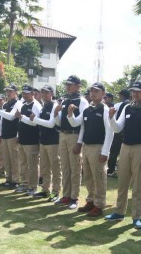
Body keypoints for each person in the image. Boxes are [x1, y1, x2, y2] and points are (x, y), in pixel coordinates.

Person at [105, 81, 141, 229]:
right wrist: (111, 118)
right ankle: (119, 212)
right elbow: (117, 128)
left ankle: (137, 217)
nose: (134, 94)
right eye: (133, 91)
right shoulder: (128, 107)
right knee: (122, 182)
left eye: (138, 91)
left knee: (138, 184)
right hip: (125, 147)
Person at [68, 82, 113, 217]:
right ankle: (91, 201)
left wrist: (105, 151)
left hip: (99, 147)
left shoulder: (105, 110)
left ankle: (99, 205)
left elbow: (110, 132)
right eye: (91, 91)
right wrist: (70, 113)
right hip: (87, 147)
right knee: (88, 176)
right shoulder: (87, 109)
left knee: (98, 177)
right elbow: (76, 123)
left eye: (96, 91)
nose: (93, 93)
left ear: (103, 93)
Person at [53, 75, 89, 209]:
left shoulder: (82, 101)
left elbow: (83, 124)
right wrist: (56, 113)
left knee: (75, 168)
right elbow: (59, 121)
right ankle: (66, 195)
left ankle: (74, 197)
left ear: (78, 86)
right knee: (65, 167)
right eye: (67, 84)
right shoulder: (65, 100)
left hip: (74, 136)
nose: (68, 86)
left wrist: (79, 142)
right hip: (63, 134)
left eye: (71, 84)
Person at [31, 85, 61, 201]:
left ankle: (56, 192)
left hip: (53, 142)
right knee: (44, 168)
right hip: (43, 141)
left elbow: (51, 124)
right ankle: (45, 190)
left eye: (46, 93)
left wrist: (35, 119)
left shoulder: (54, 106)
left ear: (52, 93)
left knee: (55, 168)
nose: (44, 95)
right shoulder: (44, 106)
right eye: (42, 93)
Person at [14, 84, 42, 195]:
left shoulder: (36, 105)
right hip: (23, 138)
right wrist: (18, 135)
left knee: (33, 165)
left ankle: (33, 186)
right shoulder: (24, 105)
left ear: (32, 94)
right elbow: (21, 122)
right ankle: (25, 184)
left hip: (32, 139)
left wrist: (22, 117)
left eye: (27, 93)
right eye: (23, 93)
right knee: (23, 163)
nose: (25, 95)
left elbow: (34, 122)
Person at [0, 84, 23, 190]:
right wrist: (0, 134)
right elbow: (2, 121)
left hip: (13, 135)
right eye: (7, 91)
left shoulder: (18, 103)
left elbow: (12, 117)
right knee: (6, 158)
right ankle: (8, 179)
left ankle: (15, 180)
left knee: (14, 159)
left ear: (15, 92)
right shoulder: (5, 104)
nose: (8, 93)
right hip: (5, 135)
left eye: (10, 91)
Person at [107, 89, 131, 176]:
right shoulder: (131, 105)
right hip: (128, 133)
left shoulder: (117, 105)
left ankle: (111, 170)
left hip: (118, 131)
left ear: (121, 96)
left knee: (114, 152)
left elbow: (113, 118)